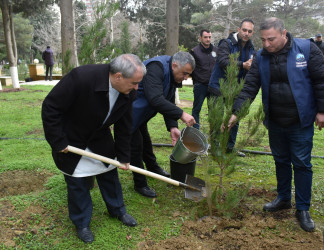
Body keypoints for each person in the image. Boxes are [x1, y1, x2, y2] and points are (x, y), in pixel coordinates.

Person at [227, 17, 324, 232]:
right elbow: (250, 86)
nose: (266, 44)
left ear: (284, 34)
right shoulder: (261, 57)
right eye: (263, 40)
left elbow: (322, 81)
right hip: (275, 119)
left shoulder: (307, 49)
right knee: (281, 160)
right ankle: (283, 198)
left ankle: (302, 208)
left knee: (301, 163)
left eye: (271, 39)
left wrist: (323, 110)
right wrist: (237, 112)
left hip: (300, 120)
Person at [41, 54, 146, 243]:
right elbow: (50, 107)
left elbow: (124, 125)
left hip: (99, 137)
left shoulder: (129, 92)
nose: (136, 88)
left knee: (109, 173)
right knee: (77, 183)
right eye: (134, 83)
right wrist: (58, 140)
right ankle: (81, 222)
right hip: (72, 139)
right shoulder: (81, 78)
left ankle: (117, 210)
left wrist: (123, 156)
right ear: (118, 76)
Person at [130, 51, 196, 198]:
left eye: (188, 75)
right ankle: (140, 183)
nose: (186, 78)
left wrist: (172, 126)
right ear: (174, 65)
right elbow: (155, 99)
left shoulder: (172, 76)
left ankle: (153, 168)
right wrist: (181, 114)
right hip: (130, 113)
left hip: (141, 115)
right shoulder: (156, 68)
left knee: (145, 141)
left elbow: (168, 98)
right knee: (136, 145)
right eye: (185, 73)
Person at [208, 18, 256, 157]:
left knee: (235, 117)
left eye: (250, 31)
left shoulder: (251, 47)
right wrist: (243, 65)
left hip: (236, 88)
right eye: (244, 30)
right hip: (218, 86)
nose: (246, 33)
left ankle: (230, 147)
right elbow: (223, 61)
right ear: (239, 29)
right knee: (217, 118)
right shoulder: (226, 43)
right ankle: (215, 147)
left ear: (253, 33)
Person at [190, 29, 218, 130]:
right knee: (196, 110)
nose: (208, 39)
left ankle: (214, 135)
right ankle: (195, 134)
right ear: (200, 38)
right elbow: (191, 69)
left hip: (213, 86)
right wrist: (196, 81)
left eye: (209, 37)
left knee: (213, 111)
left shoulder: (216, 50)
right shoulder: (194, 51)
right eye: (205, 37)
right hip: (200, 85)